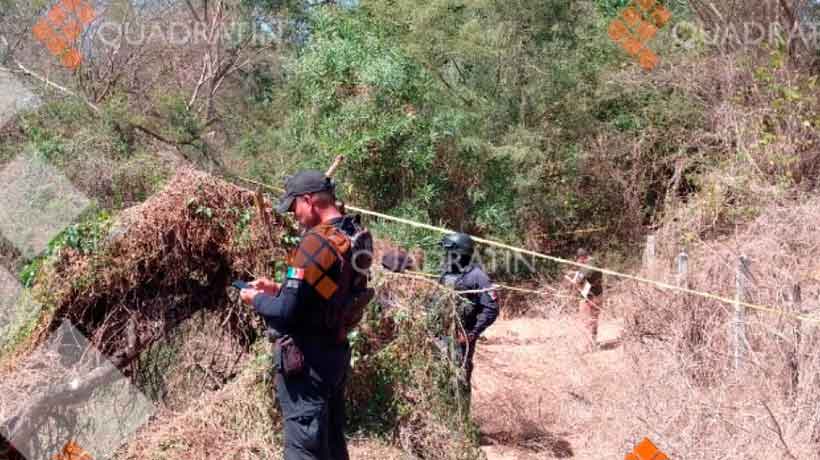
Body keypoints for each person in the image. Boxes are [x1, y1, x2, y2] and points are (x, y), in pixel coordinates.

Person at [240, 170, 372, 460]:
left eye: (294, 207)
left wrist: (257, 299)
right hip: (335, 355)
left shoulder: (314, 242)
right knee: (332, 443)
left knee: (303, 447)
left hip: (308, 363)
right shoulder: (353, 233)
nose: (293, 215)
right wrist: (279, 288)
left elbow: (286, 313)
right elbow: (333, 291)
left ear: (309, 200)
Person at [437, 232, 499, 406]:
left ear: (459, 253)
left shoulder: (477, 276)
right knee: (440, 378)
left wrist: (471, 333)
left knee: (459, 379)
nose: (445, 255)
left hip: (462, 338)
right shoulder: (444, 273)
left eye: (448, 252)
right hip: (441, 335)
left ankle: (461, 421)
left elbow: (491, 309)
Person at [568, 248, 604, 346]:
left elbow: (579, 280)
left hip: (590, 297)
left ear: (582, 257)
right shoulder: (595, 262)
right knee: (594, 319)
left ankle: (588, 344)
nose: (578, 262)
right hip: (598, 294)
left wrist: (573, 280)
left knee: (587, 320)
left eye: (578, 259)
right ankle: (593, 342)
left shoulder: (588, 265)